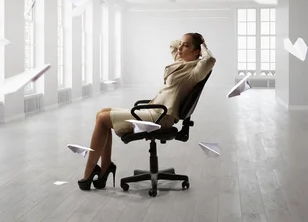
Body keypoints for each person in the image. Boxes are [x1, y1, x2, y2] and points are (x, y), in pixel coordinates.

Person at [78, 32, 216, 191]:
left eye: (186, 45)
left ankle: (89, 172)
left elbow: (210, 60)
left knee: (103, 119)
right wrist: (187, 42)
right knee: (101, 113)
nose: (180, 48)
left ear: (197, 52)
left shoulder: (195, 71)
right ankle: (105, 166)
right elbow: (172, 43)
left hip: (161, 117)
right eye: (182, 44)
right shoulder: (181, 61)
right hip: (155, 111)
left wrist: (202, 44)